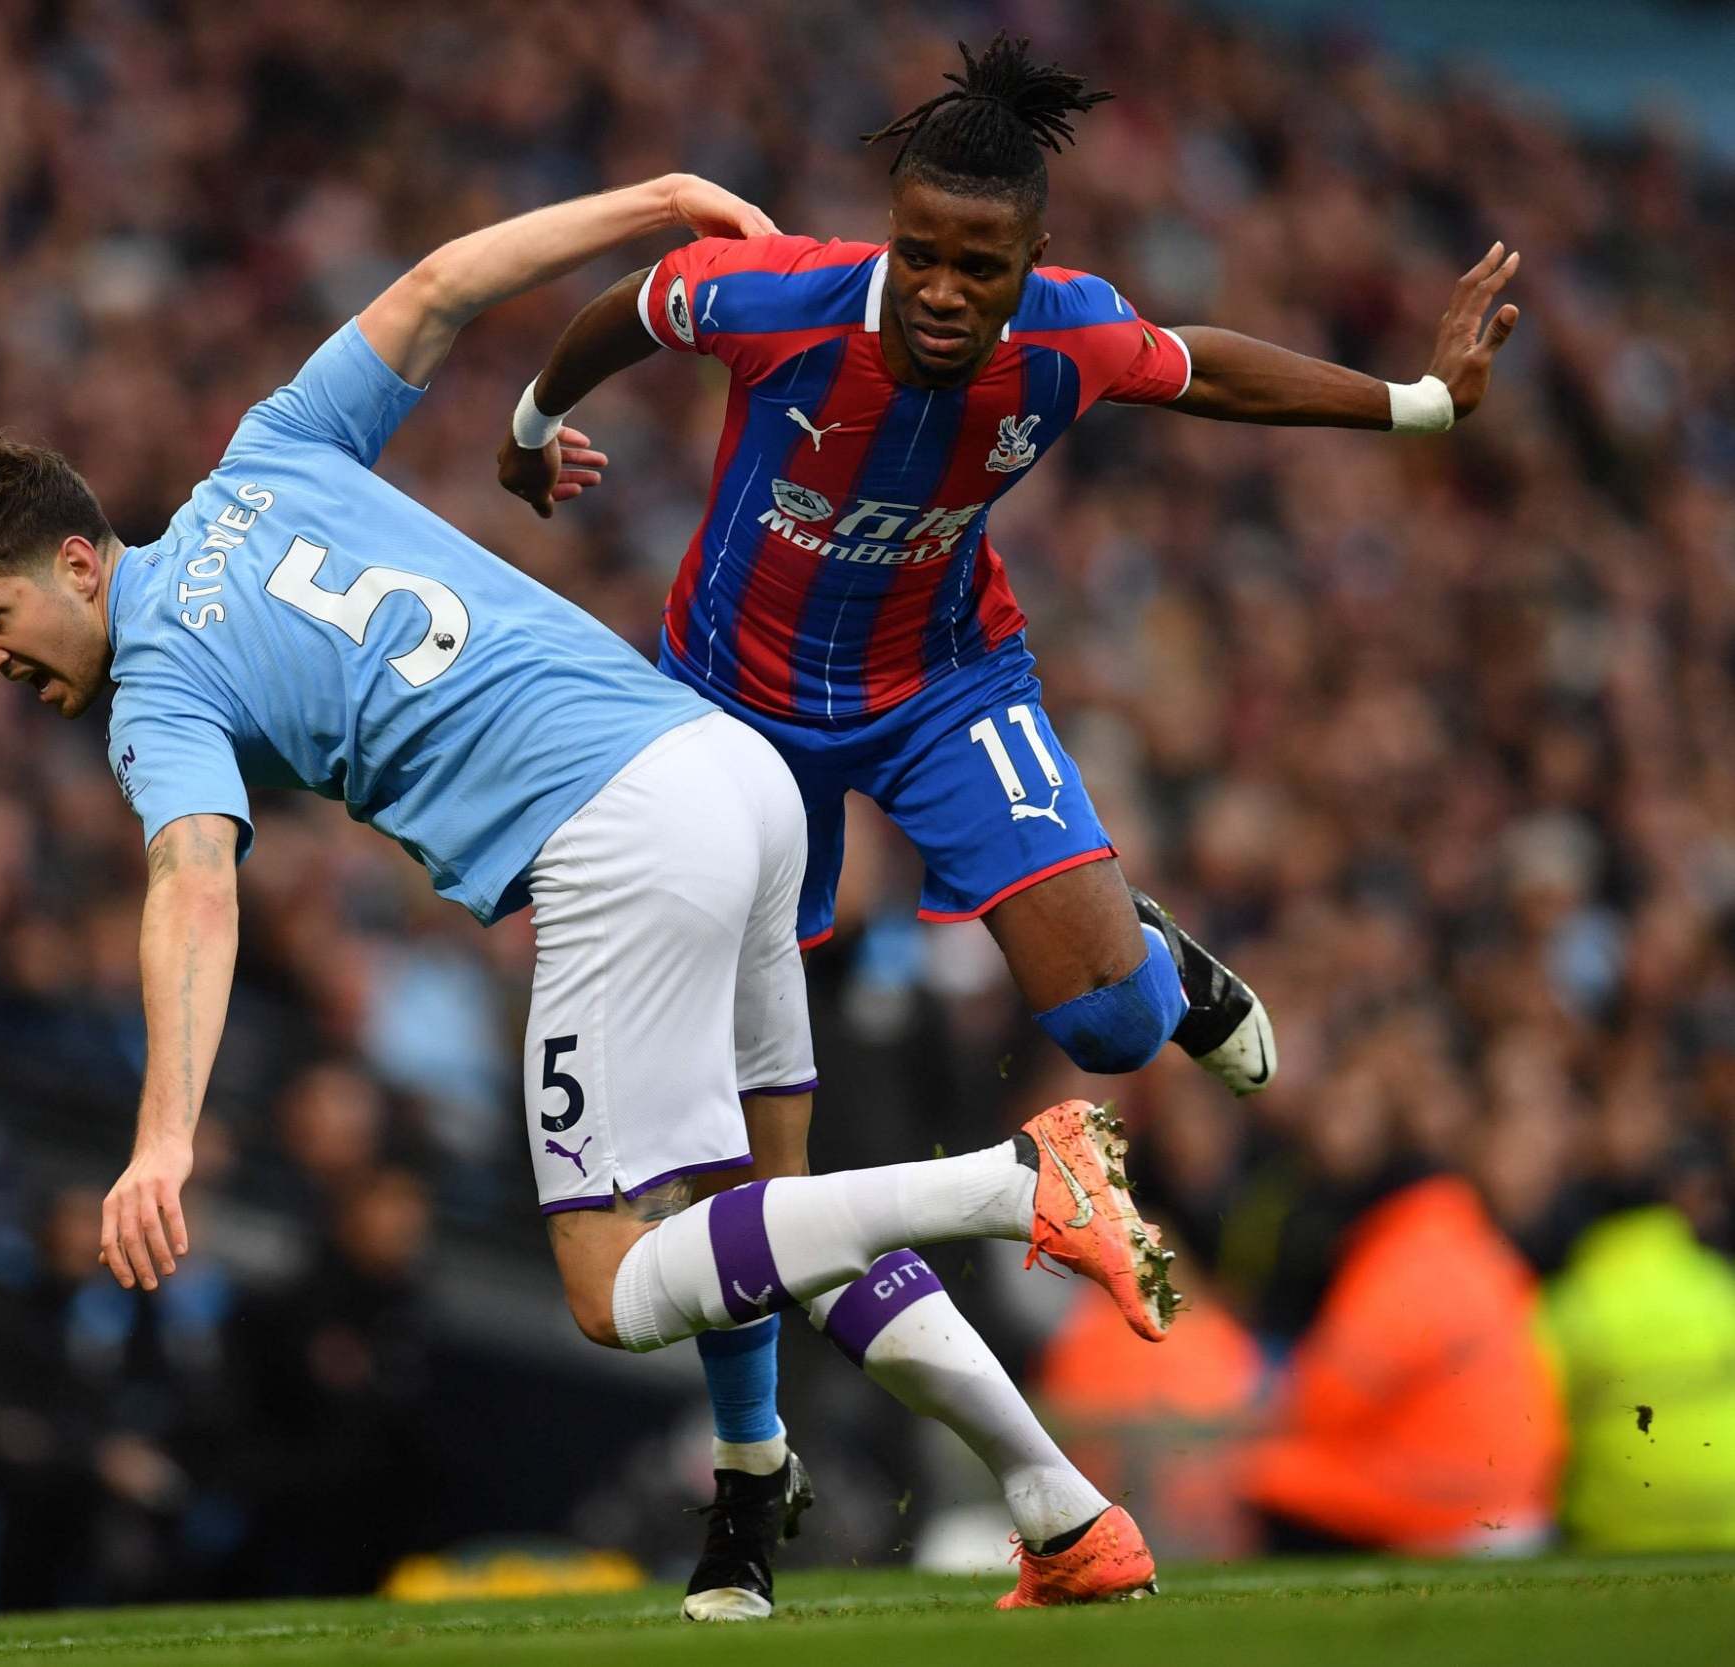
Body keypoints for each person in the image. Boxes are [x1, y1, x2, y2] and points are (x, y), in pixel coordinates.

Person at [0, 172, 1172, 1617]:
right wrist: (655, 201)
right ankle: (1039, 1508)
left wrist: (162, 1142)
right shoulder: (267, 449)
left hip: (620, 843)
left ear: (77, 561)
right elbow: (439, 286)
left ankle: (1012, 1182)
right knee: (773, 1210)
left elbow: (193, 886)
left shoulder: (155, 685)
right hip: (726, 769)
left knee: (612, 1289)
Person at [496, 34, 1519, 1609]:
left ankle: (1159, 968)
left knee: (1108, 1030)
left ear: (1030, 261)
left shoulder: (1072, 338)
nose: (942, 291)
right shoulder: (773, 297)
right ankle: (745, 1492)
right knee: (734, 1165)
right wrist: (522, 422)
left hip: (943, 684)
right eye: (920, 253)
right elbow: (625, 309)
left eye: (979, 264)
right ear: (887, 233)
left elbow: (1206, 365)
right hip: (726, 737)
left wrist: (1414, 404)